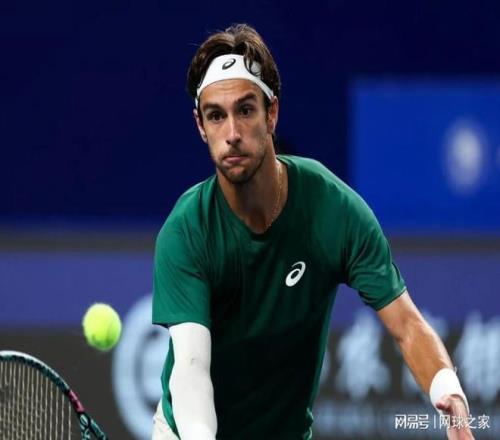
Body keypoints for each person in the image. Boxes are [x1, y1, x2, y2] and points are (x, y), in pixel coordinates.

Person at [152, 24, 473, 440]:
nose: (231, 134)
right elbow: (191, 368)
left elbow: (407, 325)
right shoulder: (187, 231)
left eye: (245, 110)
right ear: (200, 125)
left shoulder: (332, 208)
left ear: (272, 113)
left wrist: (450, 393)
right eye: (216, 116)